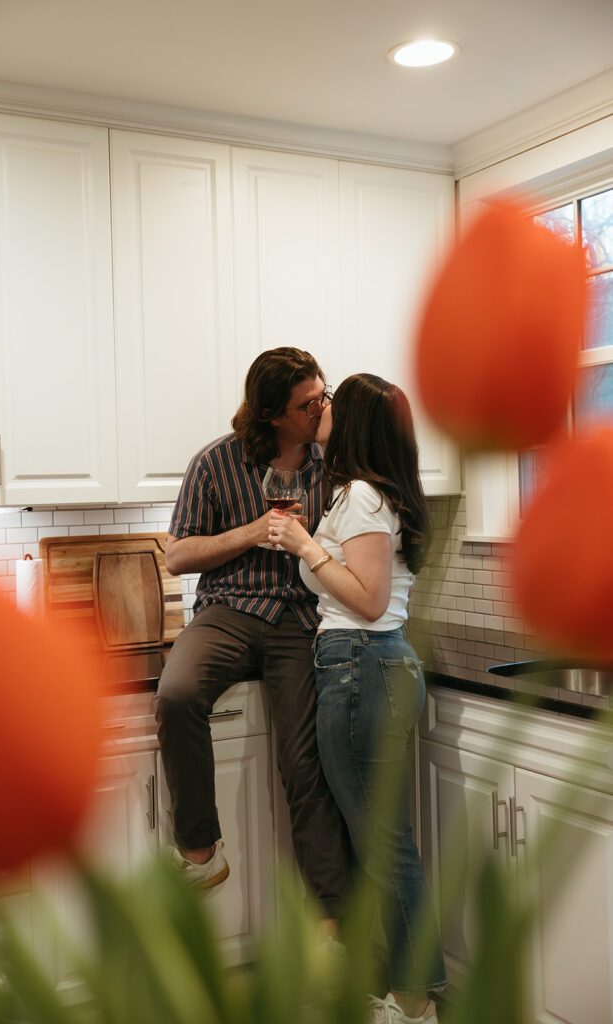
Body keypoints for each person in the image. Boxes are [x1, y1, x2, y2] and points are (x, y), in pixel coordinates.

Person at [269, 373, 447, 1024]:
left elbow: (368, 600)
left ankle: (413, 1003)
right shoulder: (371, 493)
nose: (323, 409)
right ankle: (413, 993)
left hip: (358, 667)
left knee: (382, 846)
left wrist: (305, 544)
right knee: (384, 843)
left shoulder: (362, 498)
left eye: (332, 402)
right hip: (371, 668)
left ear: (356, 424)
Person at [155, 346, 351, 932]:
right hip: (230, 610)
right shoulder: (214, 462)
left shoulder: (333, 460)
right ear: (271, 414)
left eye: (322, 394)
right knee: (176, 694)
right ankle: (200, 850)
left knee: (304, 766)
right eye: (307, 402)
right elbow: (179, 555)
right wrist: (252, 532)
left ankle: (336, 926)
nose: (320, 407)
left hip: (301, 616)